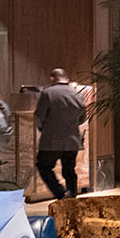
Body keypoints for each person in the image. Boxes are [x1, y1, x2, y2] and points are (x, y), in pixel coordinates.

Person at [33, 68, 87, 200]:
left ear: (52, 78)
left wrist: (42, 129)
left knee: (43, 166)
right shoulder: (77, 94)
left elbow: (39, 117)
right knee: (69, 170)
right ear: (66, 78)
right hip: (73, 140)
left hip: (51, 140)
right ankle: (72, 196)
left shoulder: (48, 93)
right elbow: (82, 116)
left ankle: (60, 194)